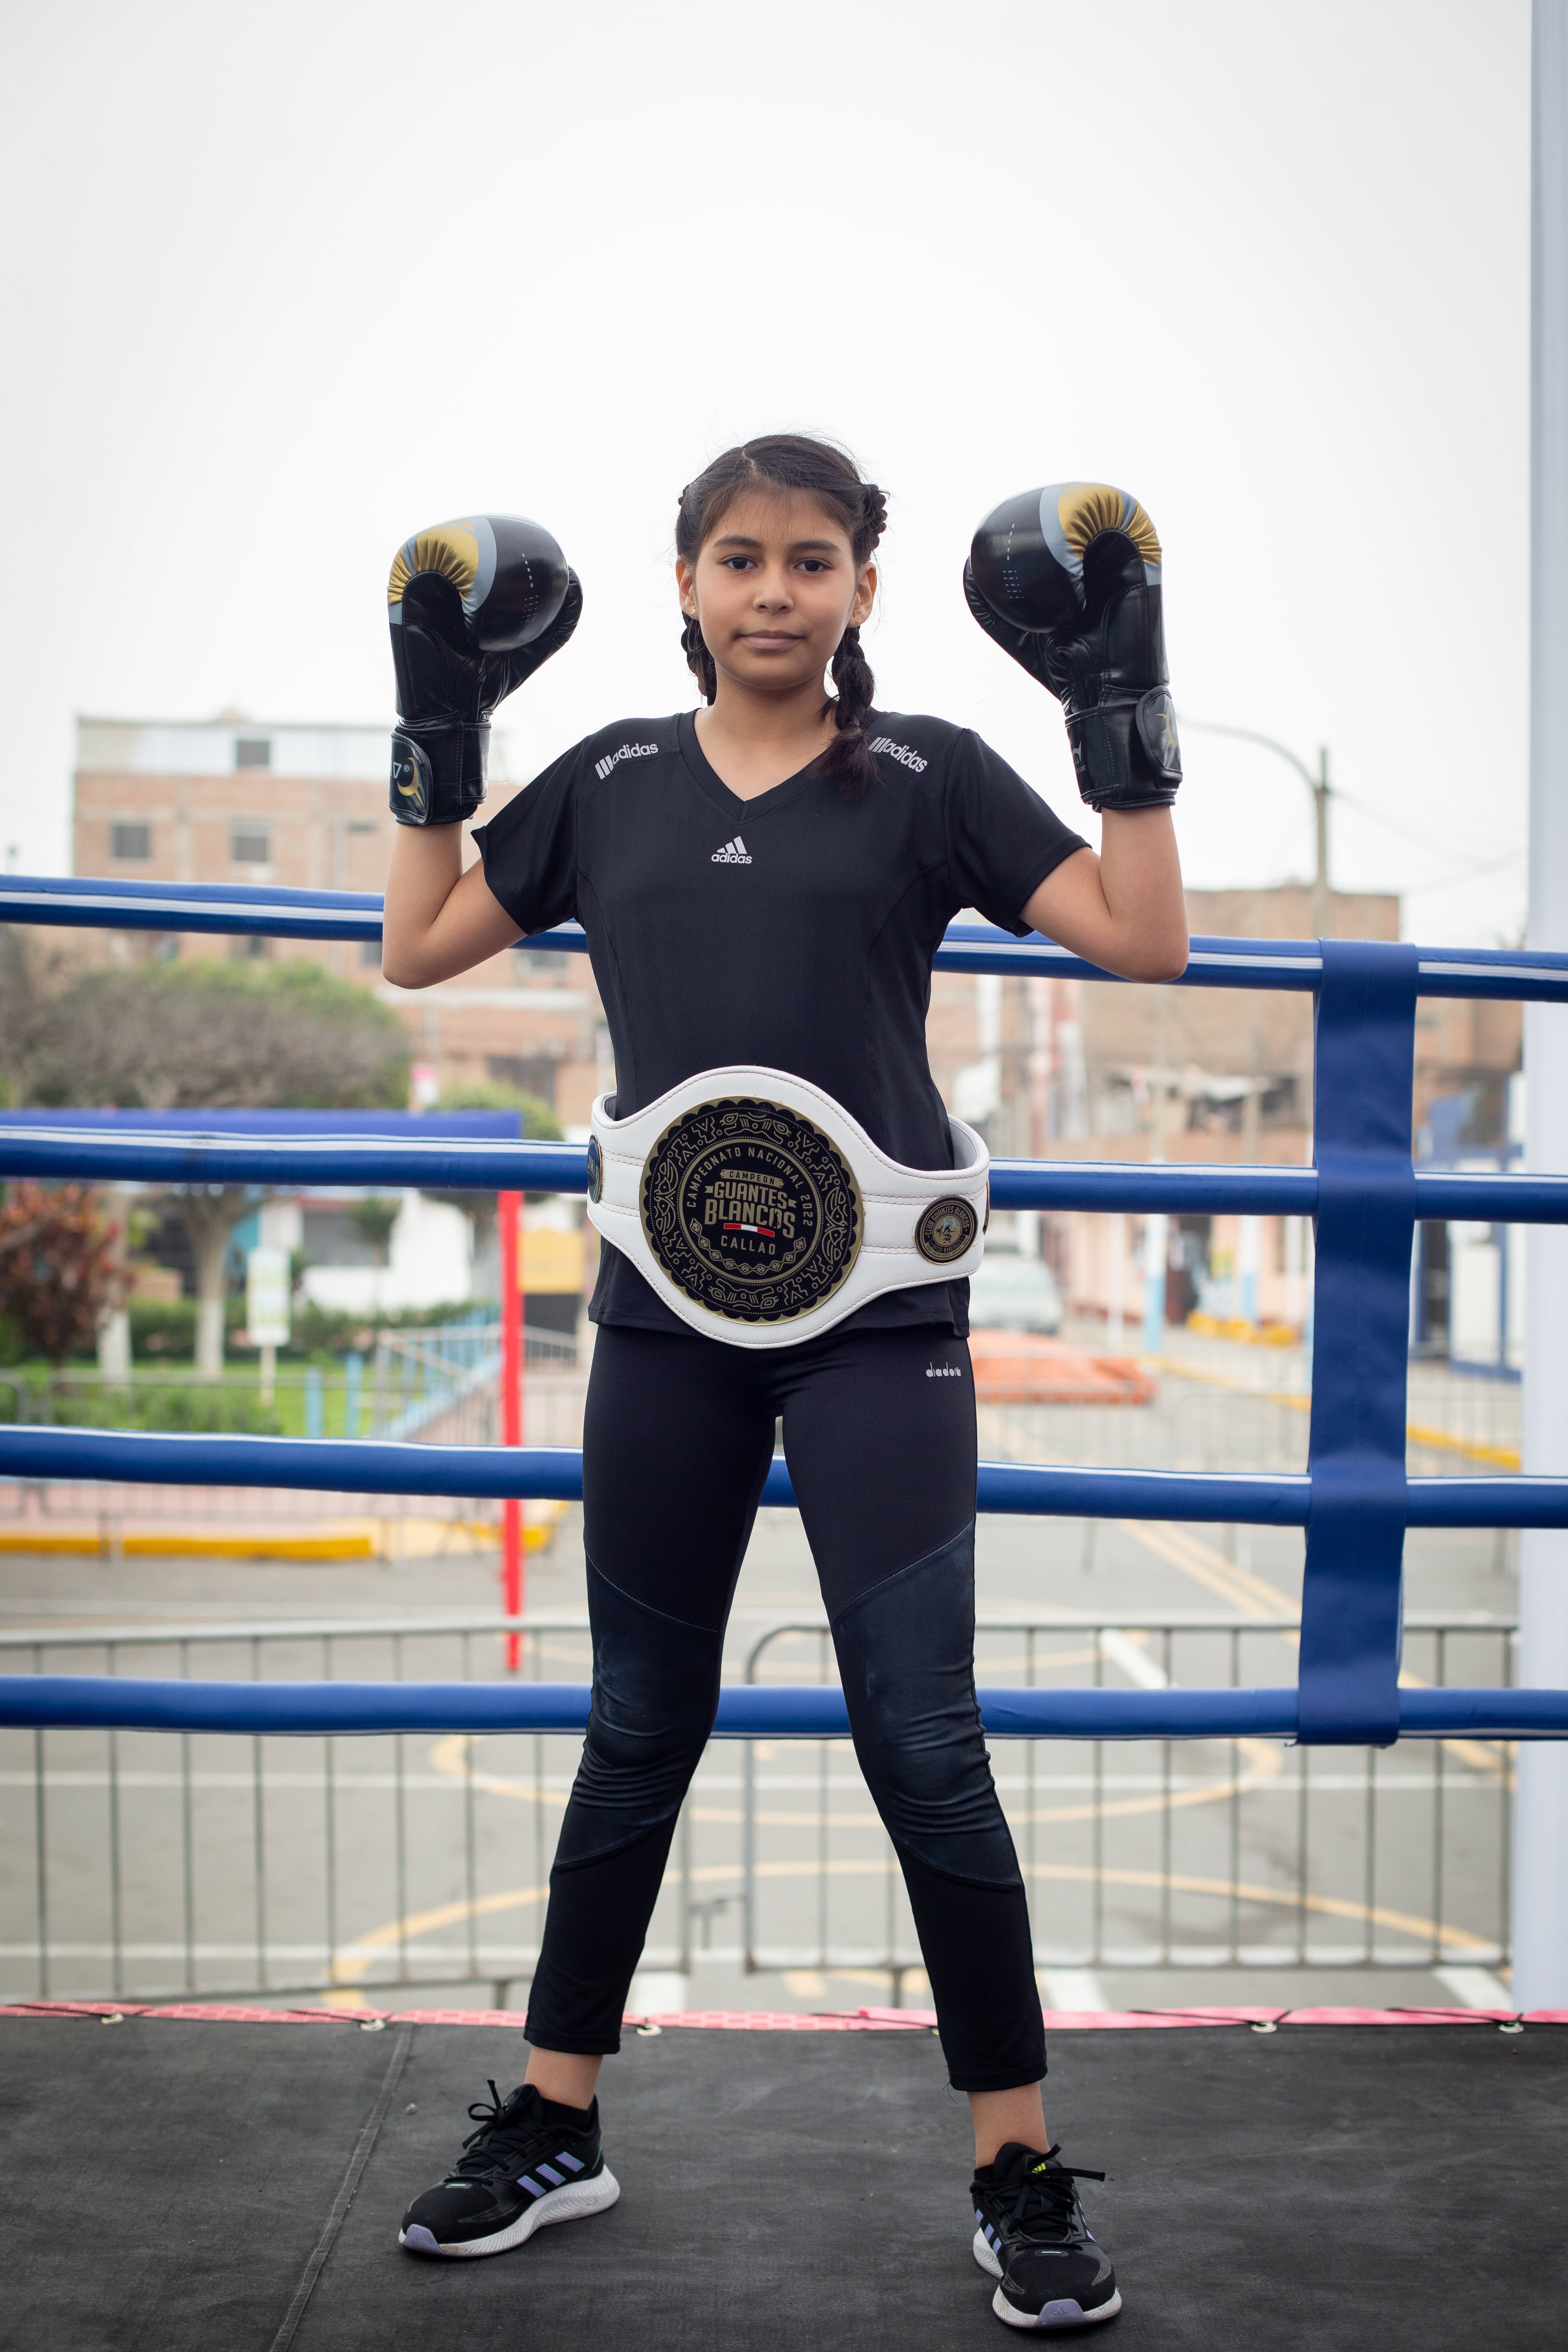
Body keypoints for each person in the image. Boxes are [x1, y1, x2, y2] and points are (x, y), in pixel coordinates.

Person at [379, 437, 1188, 2331]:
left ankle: (1016, 2163)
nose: (771, 591)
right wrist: (432, 727)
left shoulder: (927, 779)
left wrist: (1123, 712)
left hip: (874, 1329)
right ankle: (556, 2128)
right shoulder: (606, 782)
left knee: (924, 1735)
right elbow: (416, 949)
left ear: (861, 591)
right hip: (662, 1314)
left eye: (810, 561)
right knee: (638, 1723)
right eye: (738, 558)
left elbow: (1148, 939)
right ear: (683, 581)